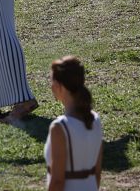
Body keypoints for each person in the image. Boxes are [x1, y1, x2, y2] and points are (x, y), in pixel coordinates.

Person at [44, 56, 103, 191]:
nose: (51, 86)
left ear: (60, 86)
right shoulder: (95, 120)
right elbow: (97, 173)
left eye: (51, 81)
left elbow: (58, 181)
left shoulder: (60, 127)